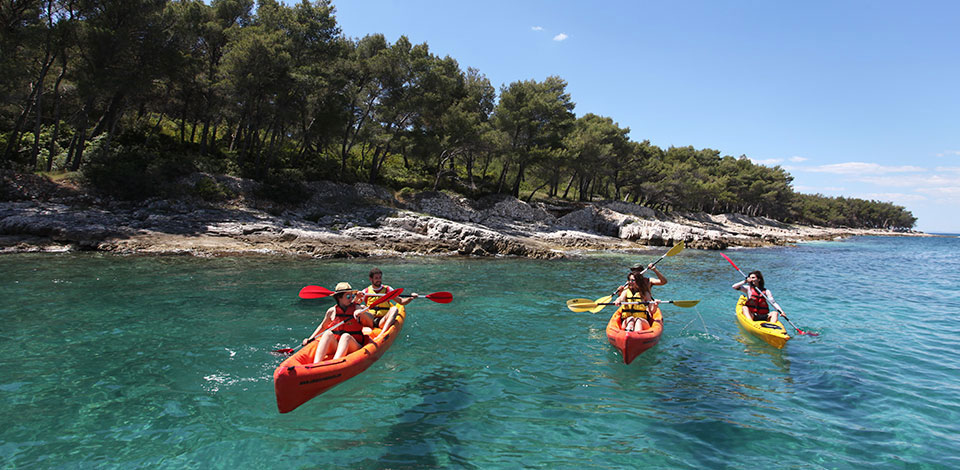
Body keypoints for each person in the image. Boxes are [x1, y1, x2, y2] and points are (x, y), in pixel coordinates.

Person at [302, 282, 376, 363]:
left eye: (352, 296)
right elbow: (323, 326)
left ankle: (334, 363)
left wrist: (362, 313)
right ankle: (316, 364)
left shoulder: (357, 308)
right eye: (348, 296)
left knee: (345, 336)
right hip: (337, 345)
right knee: (327, 333)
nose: (351, 299)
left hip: (354, 346)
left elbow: (371, 321)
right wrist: (310, 339)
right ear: (339, 297)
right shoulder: (332, 311)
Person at [362, 267, 417, 335]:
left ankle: (382, 333)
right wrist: (357, 298)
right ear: (371, 279)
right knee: (360, 307)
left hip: (382, 320)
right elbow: (355, 303)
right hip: (370, 320)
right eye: (376, 278)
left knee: (394, 309)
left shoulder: (388, 289)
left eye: (380, 277)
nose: (379, 280)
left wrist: (411, 298)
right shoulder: (366, 291)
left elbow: (401, 301)